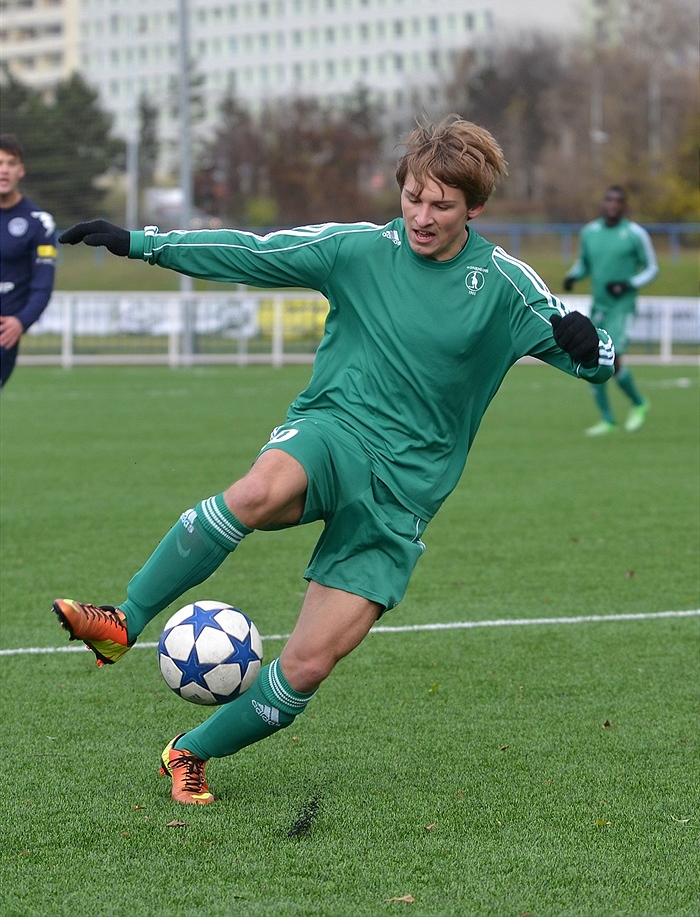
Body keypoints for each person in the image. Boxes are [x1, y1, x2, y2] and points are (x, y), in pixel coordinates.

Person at [53, 116, 615, 805]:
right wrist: (142, 244)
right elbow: (251, 253)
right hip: (334, 430)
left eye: (442, 204)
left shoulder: (504, 284)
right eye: (413, 196)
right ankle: (122, 622)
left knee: (309, 665)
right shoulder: (356, 249)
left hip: (404, 497)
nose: (422, 215)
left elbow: (593, 360)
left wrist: (592, 349)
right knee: (259, 491)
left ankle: (188, 753)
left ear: (476, 207)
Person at [563, 185, 658, 436]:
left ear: (624, 206)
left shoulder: (635, 233)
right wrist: (572, 276)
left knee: (612, 357)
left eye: (618, 201)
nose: (612, 205)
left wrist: (628, 283)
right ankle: (607, 419)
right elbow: (583, 263)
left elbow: (651, 268)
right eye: (609, 200)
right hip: (600, 306)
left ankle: (639, 403)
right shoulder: (590, 232)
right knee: (591, 357)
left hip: (622, 307)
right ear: (603, 204)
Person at [0, 134, 57, 389]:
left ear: (20, 171)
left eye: (11, 163)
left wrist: (21, 320)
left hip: (3, 335)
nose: (4, 170)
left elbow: (43, 285)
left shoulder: (38, 222)